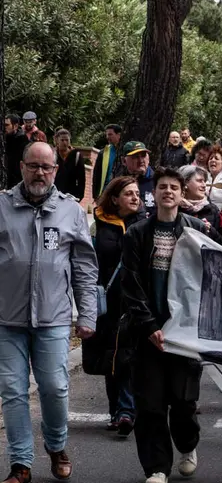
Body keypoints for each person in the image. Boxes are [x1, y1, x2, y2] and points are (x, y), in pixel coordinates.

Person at [0, 142, 98, 483]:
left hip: (54, 319)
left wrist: (87, 314)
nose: (39, 173)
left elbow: (85, 268)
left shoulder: (70, 211)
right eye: (33, 166)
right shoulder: (2, 206)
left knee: (55, 388)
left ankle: (56, 445)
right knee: (12, 391)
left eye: (46, 167)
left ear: (56, 170)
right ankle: (20, 464)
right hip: (7, 320)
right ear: (21, 168)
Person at [120, 167, 212, 483]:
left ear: (182, 193)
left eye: (174, 187)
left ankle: (187, 444)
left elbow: (212, 277)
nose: (168, 192)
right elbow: (130, 285)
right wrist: (148, 326)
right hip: (148, 334)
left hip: (184, 336)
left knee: (183, 401)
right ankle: (157, 466)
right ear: (154, 193)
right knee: (150, 404)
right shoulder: (136, 235)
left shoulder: (198, 230)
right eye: (162, 187)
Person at [82, 176, 144, 436]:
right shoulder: (99, 225)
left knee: (128, 356)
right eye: (128, 193)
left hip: (134, 301)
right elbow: (88, 260)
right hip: (106, 301)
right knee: (112, 356)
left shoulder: (144, 225)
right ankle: (116, 411)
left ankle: (127, 411)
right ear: (115, 198)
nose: (135, 198)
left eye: (137, 193)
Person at [90, 124, 123, 200]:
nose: (108, 137)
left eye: (110, 134)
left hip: (121, 192)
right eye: (107, 135)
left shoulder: (125, 151)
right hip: (105, 193)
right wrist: (95, 195)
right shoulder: (103, 152)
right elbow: (96, 175)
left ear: (119, 135)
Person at [121, 141, 155, 210]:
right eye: (135, 157)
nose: (141, 160)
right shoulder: (119, 183)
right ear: (124, 161)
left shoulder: (158, 182)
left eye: (143, 155)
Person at [53, 128, 86, 199]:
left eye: (67, 140)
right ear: (57, 140)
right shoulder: (52, 154)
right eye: (62, 140)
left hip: (71, 196)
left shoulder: (76, 155)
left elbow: (81, 179)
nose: (65, 143)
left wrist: (79, 196)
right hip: (54, 194)